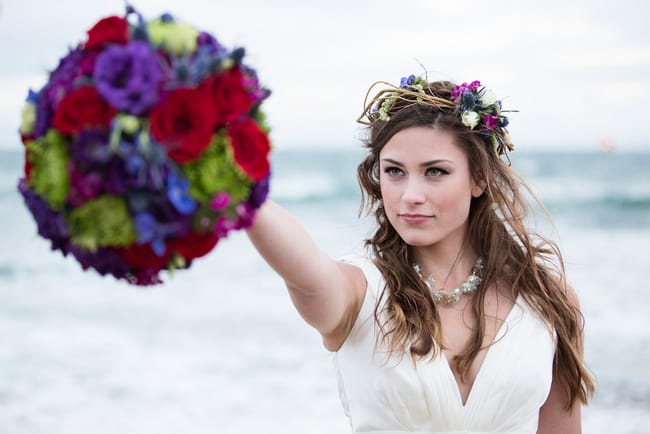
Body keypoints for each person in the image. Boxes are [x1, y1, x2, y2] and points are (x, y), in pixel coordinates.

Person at [246, 75, 595, 433]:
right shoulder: (360, 295)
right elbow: (303, 270)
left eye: (435, 172)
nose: (411, 194)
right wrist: (239, 191)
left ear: (478, 179)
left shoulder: (549, 301)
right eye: (394, 171)